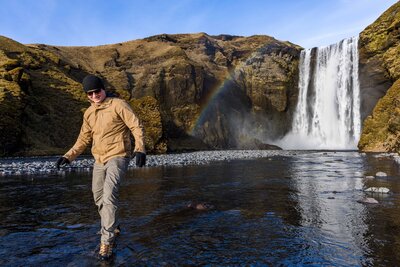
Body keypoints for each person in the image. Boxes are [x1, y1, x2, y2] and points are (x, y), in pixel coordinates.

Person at [56, 74, 146, 261]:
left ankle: (107, 241)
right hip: (99, 159)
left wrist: (140, 149)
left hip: (118, 155)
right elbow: (83, 139)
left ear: (103, 89)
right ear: (87, 95)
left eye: (97, 91)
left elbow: (136, 126)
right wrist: (68, 156)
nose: (95, 95)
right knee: (98, 197)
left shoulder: (118, 105)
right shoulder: (88, 113)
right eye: (91, 93)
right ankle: (114, 225)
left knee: (109, 194)